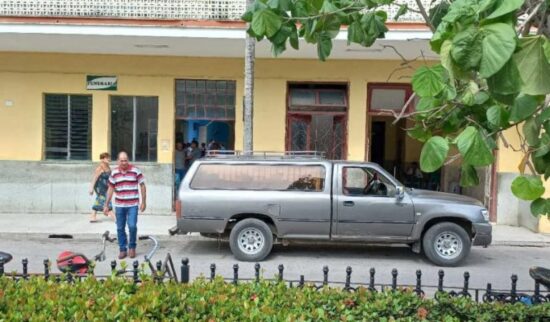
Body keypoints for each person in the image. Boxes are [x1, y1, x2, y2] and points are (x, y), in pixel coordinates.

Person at [104, 151, 146, 259]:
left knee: (132, 226)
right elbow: (110, 189)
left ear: (128, 160)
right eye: (121, 160)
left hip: (133, 205)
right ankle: (122, 249)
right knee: (120, 228)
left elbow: (142, 185)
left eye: (125, 160)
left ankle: (132, 247)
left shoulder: (135, 170)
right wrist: (106, 204)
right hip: (120, 205)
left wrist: (144, 201)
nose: (124, 162)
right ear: (118, 161)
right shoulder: (114, 173)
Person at [88, 152, 115, 223]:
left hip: (107, 187)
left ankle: (93, 216)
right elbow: (94, 178)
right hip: (100, 188)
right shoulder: (100, 168)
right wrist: (91, 188)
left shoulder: (108, 167)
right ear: (102, 159)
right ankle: (114, 217)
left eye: (109, 157)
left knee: (99, 200)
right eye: (107, 158)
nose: (109, 159)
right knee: (106, 199)